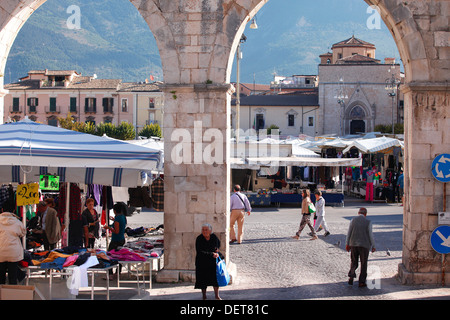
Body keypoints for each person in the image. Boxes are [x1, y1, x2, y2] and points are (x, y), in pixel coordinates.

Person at [345, 207, 376, 287]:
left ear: (358, 213)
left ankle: (351, 276)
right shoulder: (368, 222)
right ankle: (361, 282)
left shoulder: (353, 220)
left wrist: (347, 244)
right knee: (364, 263)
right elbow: (370, 235)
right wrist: (373, 245)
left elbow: (349, 233)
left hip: (354, 244)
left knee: (354, 261)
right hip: (364, 245)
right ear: (365, 214)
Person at [0, 204, 27, 284]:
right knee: (13, 276)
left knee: (1, 277)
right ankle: (12, 294)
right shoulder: (17, 222)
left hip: (1, 252)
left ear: (2, 210)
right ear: (13, 211)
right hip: (13, 252)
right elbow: (23, 233)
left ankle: (1, 294)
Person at [194, 223, 222, 300]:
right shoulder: (199, 238)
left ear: (210, 230)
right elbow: (199, 251)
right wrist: (211, 254)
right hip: (202, 262)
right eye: (203, 230)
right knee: (203, 280)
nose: (204, 231)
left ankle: (217, 295)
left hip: (212, 262)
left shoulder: (214, 237)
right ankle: (204, 296)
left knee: (215, 280)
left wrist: (216, 252)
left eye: (206, 230)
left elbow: (217, 245)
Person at [105, 202, 128, 279]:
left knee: (110, 256)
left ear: (115, 210)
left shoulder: (118, 219)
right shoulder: (122, 217)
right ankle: (118, 272)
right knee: (120, 256)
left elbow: (116, 231)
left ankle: (111, 273)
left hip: (116, 240)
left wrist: (109, 228)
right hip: (121, 239)